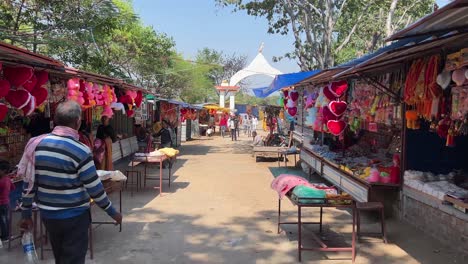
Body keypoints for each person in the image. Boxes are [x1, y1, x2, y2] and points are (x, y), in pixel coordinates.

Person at [19, 100, 122, 264]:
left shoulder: (36, 145)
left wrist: (26, 214)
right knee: (73, 259)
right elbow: (94, 189)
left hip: (48, 216)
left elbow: (28, 183)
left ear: (55, 120)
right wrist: (112, 212)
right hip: (75, 216)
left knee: (60, 257)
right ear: (78, 122)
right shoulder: (80, 150)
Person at [0, 160, 14, 242]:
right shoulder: (7, 179)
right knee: (6, 218)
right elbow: (12, 188)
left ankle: (5, 237)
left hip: (1, 203)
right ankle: (9, 234)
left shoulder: (1, 181)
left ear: (4, 171)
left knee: (3, 219)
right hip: (6, 202)